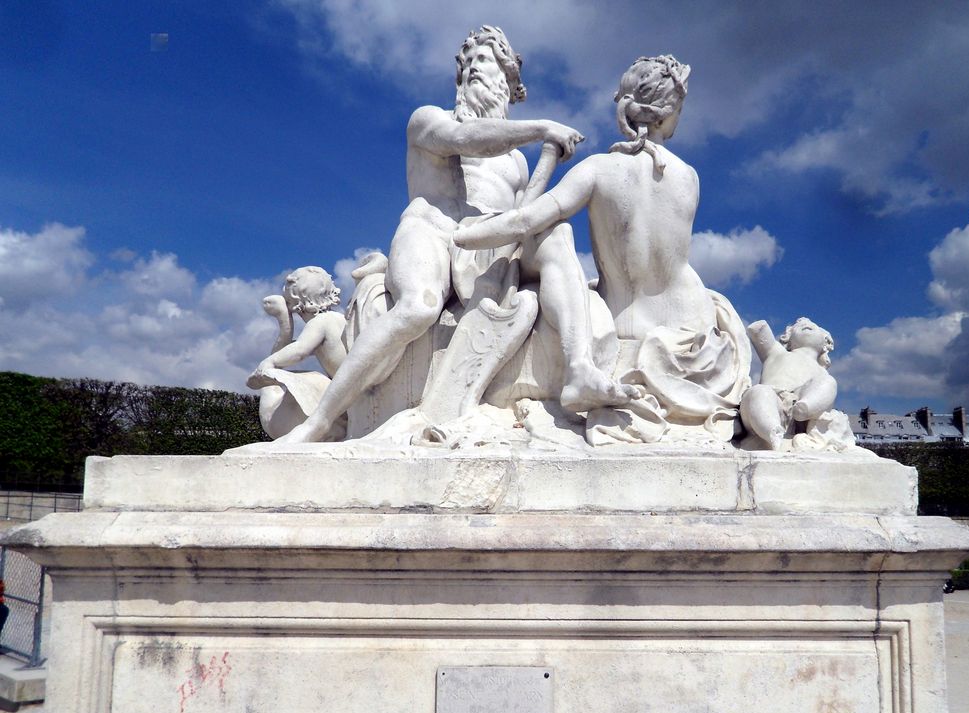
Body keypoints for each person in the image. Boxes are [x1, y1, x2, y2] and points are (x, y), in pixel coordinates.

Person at [277, 26, 617, 443]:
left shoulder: (515, 160)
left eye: (484, 60)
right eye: (467, 63)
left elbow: (522, 215)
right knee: (419, 308)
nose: (473, 68)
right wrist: (543, 130)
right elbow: (463, 139)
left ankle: (579, 368)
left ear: (508, 80)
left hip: (488, 242)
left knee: (556, 233)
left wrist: (544, 163)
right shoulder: (429, 119)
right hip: (433, 230)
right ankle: (320, 421)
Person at [454, 55, 750, 438]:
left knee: (552, 241)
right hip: (695, 330)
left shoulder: (598, 169)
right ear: (667, 113)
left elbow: (525, 222)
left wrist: (459, 237)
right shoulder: (688, 177)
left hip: (625, 321)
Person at [248, 267, 348, 439]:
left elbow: (299, 350)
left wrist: (269, 362)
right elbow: (291, 349)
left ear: (295, 303)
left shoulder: (320, 323)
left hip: (345, 396)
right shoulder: (339, 319)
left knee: (303, 380)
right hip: (349, 394)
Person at [739, 317, 837, 450]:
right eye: (799, 326)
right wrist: (760, 328)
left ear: (825, 342)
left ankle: (806, 408)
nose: (805, 324)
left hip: (800, 416)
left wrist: (803, 408)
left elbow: (823, 392)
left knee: (829, 382)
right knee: (760, 392)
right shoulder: (776, 352)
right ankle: (773, 432)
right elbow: (756, 330)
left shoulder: (821, 372)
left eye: (812, 325)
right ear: (788, 339)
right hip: (771, 401)